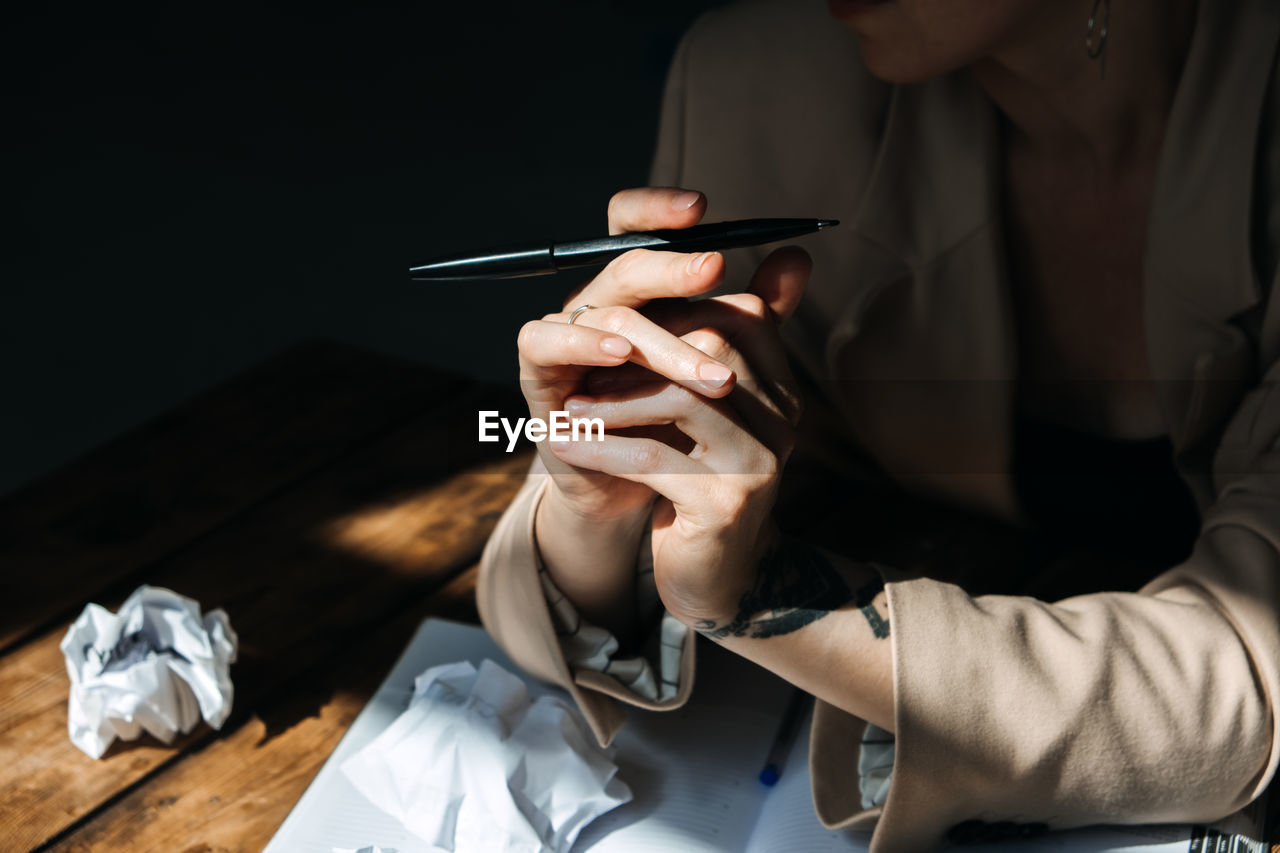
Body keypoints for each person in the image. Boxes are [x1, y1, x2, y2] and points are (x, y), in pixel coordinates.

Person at [478, 0, 1280, 848]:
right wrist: (601, 491)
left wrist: (762, 595)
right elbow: (528, 615)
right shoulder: (764, 79)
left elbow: (1240, 687)